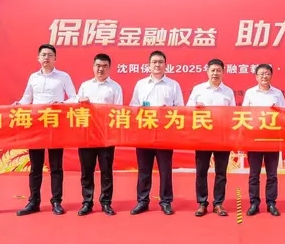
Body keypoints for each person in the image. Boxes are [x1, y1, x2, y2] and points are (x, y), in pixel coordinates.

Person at [15, 44, 78, 217]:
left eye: (50, 55)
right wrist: (19, 104)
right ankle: (33, 201)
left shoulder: (63, 76)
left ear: (55, 59)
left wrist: (62, 104)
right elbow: (27, 98)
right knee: (35, 166)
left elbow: (74, 98)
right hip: (36, 126)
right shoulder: (33, 77)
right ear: (38, 58)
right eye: (43, 55)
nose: (46, 58)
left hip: (55, 124)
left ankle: (56, 201)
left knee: (56, 166)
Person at [128, 50, 184, 215]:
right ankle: (142, 201)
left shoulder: (173, 85)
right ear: (149, 65)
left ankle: (165, 201)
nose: (157, 65)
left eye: (160, 62)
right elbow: (133, 105)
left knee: (165, 169)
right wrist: (140, 109)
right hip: (144, 132)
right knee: (144, 169)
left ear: (165, 65)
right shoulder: (141, 84)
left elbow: (180, 108)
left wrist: (169, 111)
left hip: (165, 133)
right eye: (154, 62)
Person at [186, 58, 236, 217]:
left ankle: (218, 203)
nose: (215, 73)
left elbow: (233, 114)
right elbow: (187, 110)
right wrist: (196, 108)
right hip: (202, 136)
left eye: (218, 70)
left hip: (222, 137)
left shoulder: (228, 92)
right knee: (201, 170)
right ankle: (202, 202)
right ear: (207, 71)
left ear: (223, 72)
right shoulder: (198, 89)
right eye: (212, 70)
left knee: (221, 172)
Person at [75, 53, 123, 216]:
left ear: (109, 68)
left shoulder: (115, 87)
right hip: (87, 134)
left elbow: (118, 111)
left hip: (106, 135)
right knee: (86, 170)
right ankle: (87, 202)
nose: (100, 69)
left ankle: (106, 202)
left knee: (106, 170)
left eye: (104, 66)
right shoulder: (85, 86)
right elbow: (76, 108)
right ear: (93, 67)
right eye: (98, 65)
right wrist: (80, 102)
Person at [241, 63, 285, 217]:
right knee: (254, 174)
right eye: (261, 74)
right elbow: (243, 113)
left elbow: (284, 113)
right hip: (254, 137)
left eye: (267, 73)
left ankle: (271, 203)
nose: (264, 76)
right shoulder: (250, 93)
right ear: (256, 76)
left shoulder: (277, 93)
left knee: (272, 174)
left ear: (271, 75)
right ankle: (254, 203)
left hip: (272, 137)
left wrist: (277, 110)